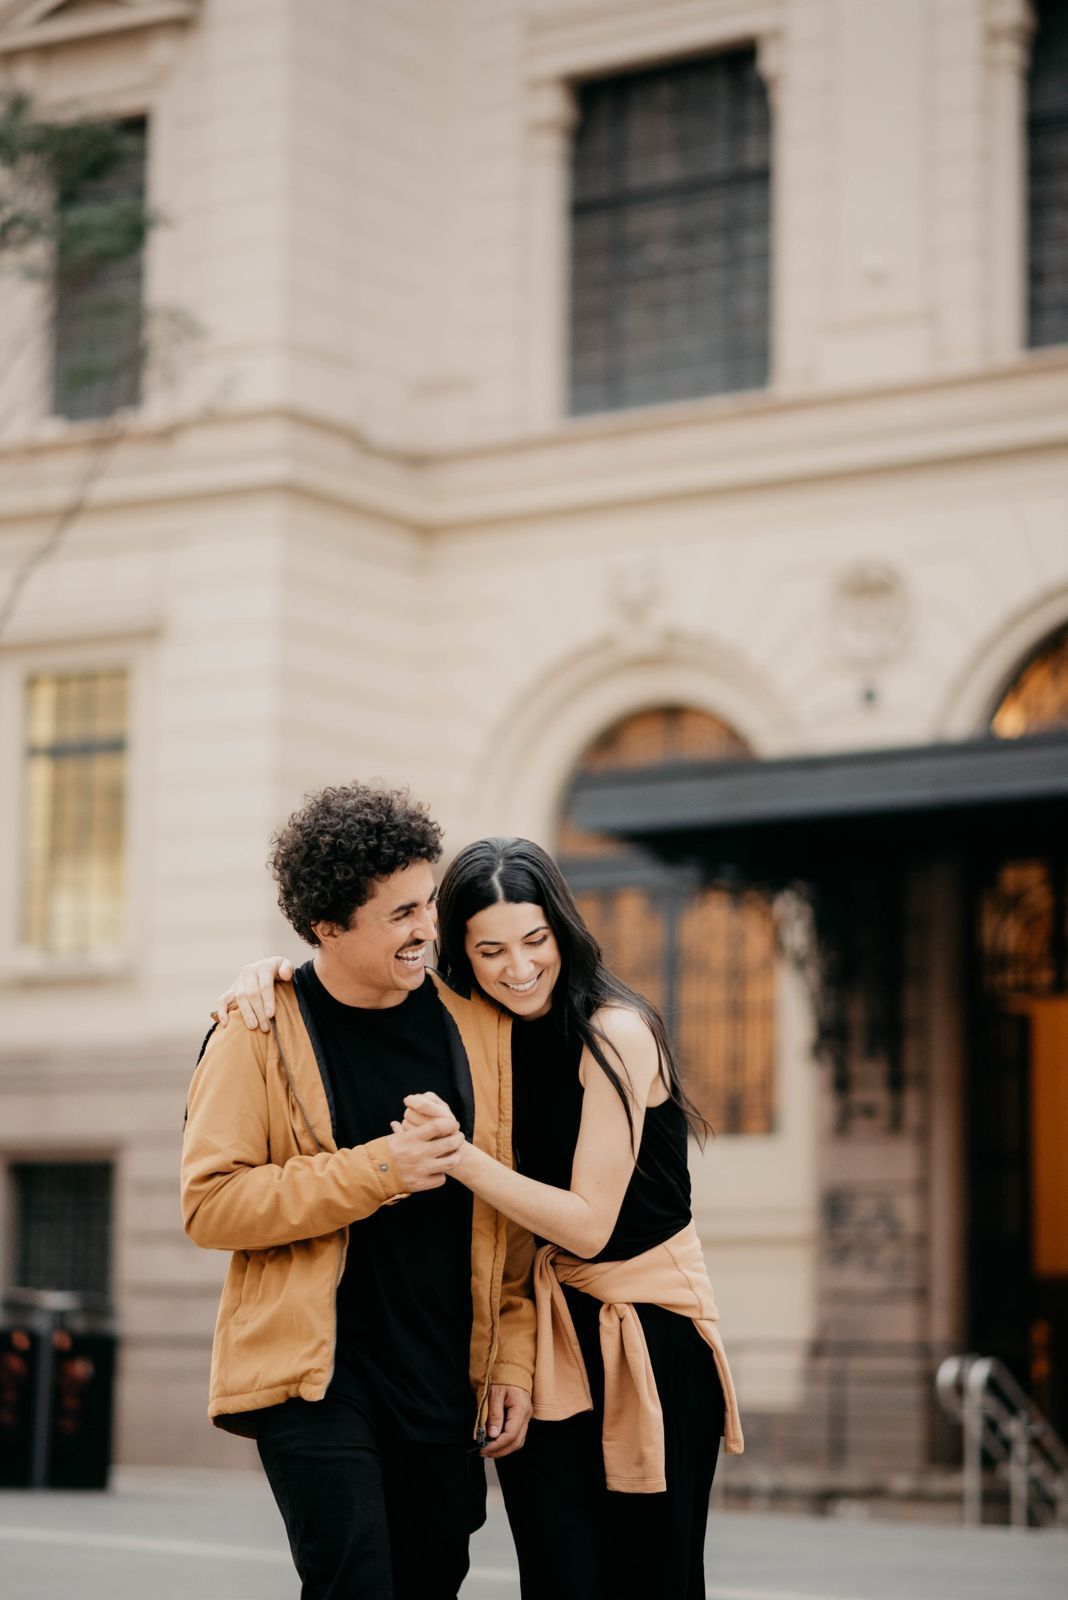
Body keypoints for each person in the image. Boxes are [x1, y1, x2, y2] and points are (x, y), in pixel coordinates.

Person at [220, 834, 744, 1599]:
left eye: (536, 940)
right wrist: (267, 976)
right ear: (460, 951)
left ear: (563, 929)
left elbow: (588, 1225)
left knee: (653, 1579)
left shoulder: (615, 1033)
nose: (520, 967)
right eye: (490, 949)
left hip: (646, 1339)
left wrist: (458, 1157)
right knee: (558, 1577)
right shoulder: (478, 1033)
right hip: (545, 1334)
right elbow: (349, 980)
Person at [181, 786, 536, 1600]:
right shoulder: (256, 1030)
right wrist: (380, 1171)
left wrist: (510, 1357)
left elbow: (505, 1222)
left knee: (429, 1581)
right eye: (401, 913)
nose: (426, 931)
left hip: (444, 1380)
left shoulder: (476, 1023)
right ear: (328, 927)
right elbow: (210, 1203)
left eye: (428, 903)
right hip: (317, 1381)